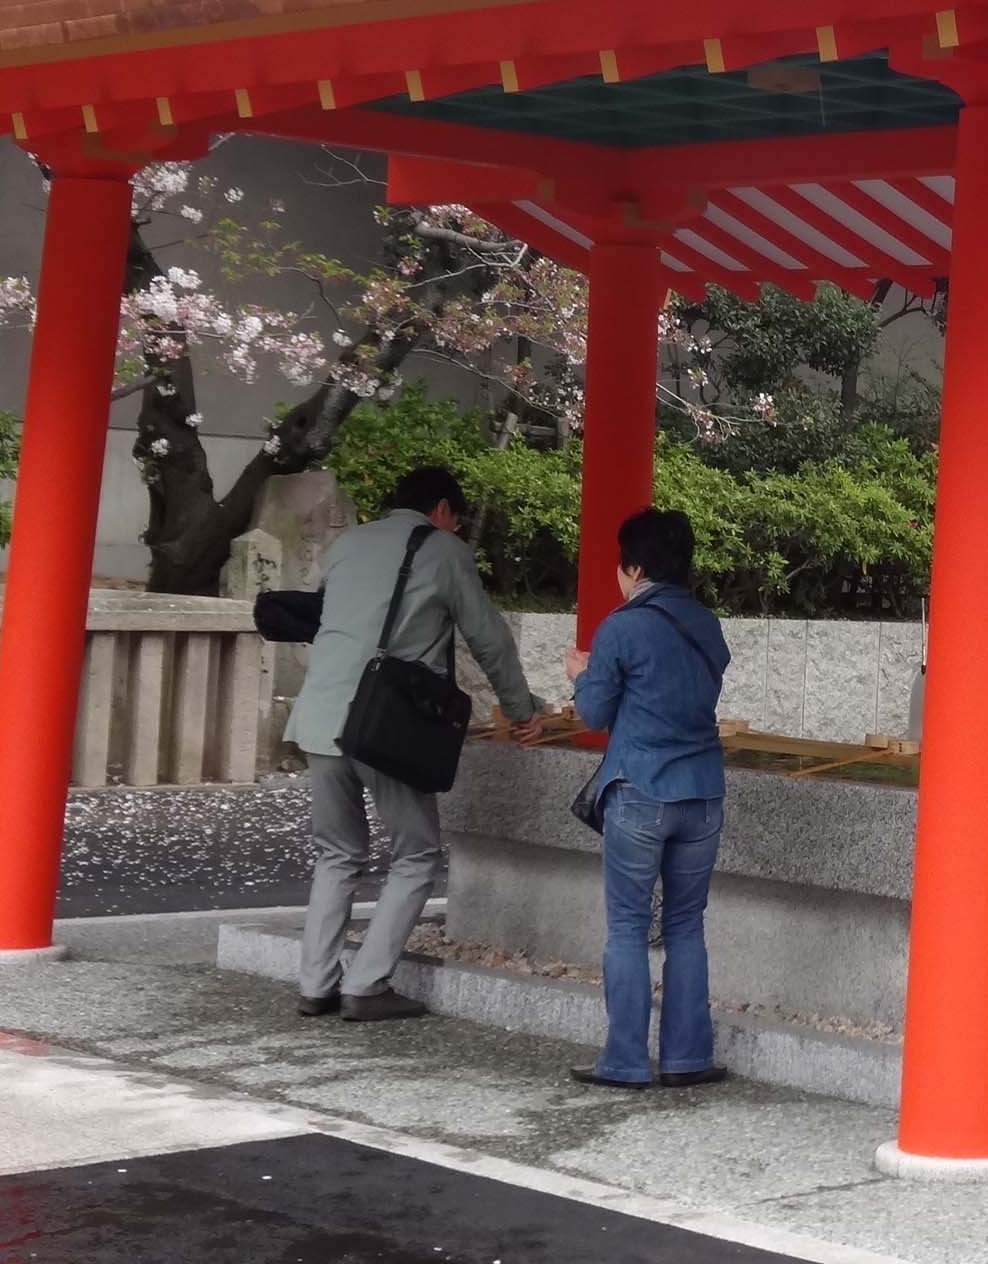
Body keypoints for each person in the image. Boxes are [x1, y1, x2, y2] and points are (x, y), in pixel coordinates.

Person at [286, 464, 545, 1021]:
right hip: (383, 724)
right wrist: (522, 711)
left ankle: (315, 985)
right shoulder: (443, 550)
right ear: (443, 510)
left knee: (336, 854)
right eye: (456, 517)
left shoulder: (349, 544)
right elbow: (489, 638)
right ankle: (367, 984)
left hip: (319, 717)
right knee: (417, 853)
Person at [566, 506, 731, 1088]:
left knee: (629, 928)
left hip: (639, 790)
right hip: (703, 793)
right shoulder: (707, 624)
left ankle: (625, 1061)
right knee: (687, 924)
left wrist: (580, 673)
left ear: (632, 567)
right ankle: (688, 1059)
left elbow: (594, 713)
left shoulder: (621, 626)